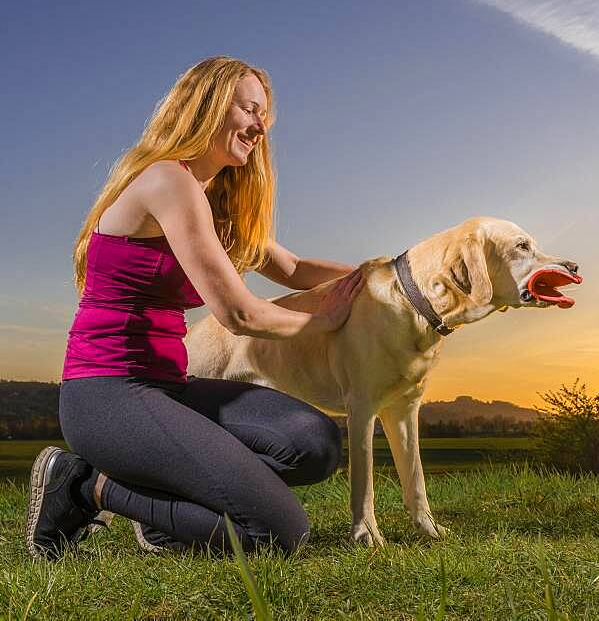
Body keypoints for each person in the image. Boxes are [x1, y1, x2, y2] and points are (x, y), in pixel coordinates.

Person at [25, 56, 366, 560]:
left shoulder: (214, 199)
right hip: (107, 396)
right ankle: (82, 484)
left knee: (314, 444)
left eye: (264, 119)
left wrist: (385, 278)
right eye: (249, 110)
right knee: (278, 535)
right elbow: (240, 314)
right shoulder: (168, 182)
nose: (258, 128)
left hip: (168, 388)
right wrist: (326, 320)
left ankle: (164, 516)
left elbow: (291, 268)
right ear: (207, 106)